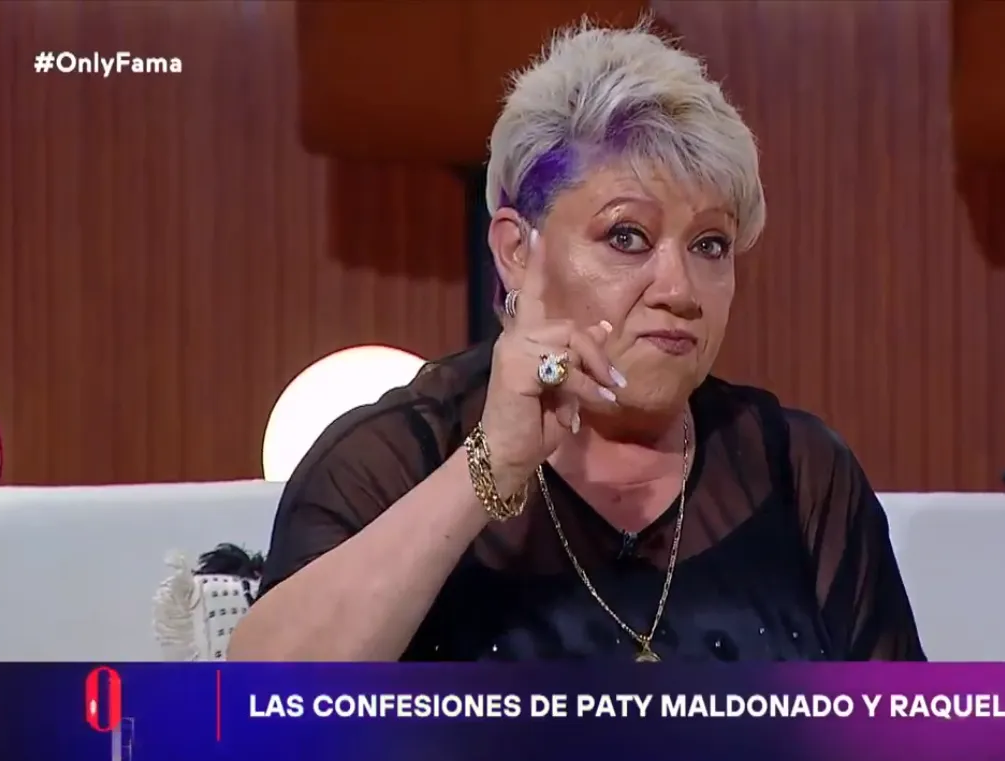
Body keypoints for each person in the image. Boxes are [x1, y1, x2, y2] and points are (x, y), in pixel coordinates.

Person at [229, 21, 924, 663]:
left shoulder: (800, 472)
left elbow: (905, 732)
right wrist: (491, 466)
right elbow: (257, 709)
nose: (679, 288)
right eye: (627, 236)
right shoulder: (392, 458)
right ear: (516, 251)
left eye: (710, 244)